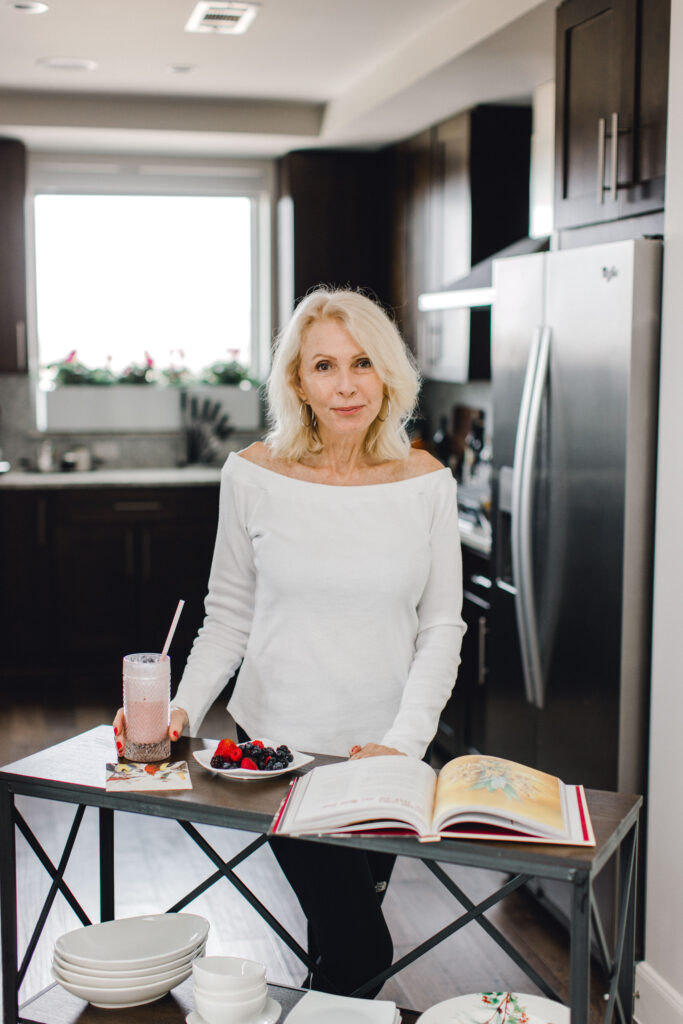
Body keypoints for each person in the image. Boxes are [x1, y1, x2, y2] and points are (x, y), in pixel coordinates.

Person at [113, 287, 466, 997]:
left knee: (340, 933)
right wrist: (179, 710)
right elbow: (229, 614)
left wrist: (404, 741)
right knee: (362, 945)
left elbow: (440, 628)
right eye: (324, 366)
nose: (345, 385)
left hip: (382, 752)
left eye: (362, 363)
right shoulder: (252, 475)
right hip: (276, 750)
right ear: (298, 382)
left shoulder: (426, 483)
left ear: (388, 374)